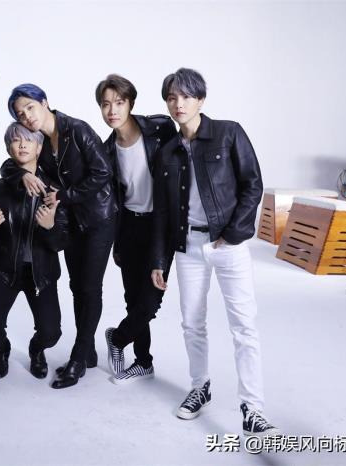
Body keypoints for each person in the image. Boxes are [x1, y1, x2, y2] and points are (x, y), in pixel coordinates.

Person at [151, 67, 279, 435]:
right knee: (192, 323)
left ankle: (252, 409)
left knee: (244, 326)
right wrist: (159, 259)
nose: (178, 104)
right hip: (187, 247)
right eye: (172, 98)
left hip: (228, 245)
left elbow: (253, 185)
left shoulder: (228, 133)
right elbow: (162, 211)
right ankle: (200, 387)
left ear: (201, 100)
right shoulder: (168, 151)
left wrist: (234, 234)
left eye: (186, 96)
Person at [2, 84, 116, 389]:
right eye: (20, 114)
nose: (26, 116)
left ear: (44, 102)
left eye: (29, 107)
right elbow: (11, 164)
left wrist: (65, 196)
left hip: (99, 219)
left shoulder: (77, 130)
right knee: (77, 286)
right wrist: (22, 174)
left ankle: (78, 357)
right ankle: (87, 350)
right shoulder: (39, 141)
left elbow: (103, 172)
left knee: (90, 287)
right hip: (70, 223)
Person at [94, 74, 176, 384]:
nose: (112, 110)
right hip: (129, 226)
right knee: (134, 299)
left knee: (151, 301)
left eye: (119, 102)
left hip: (160, 226)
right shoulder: (106, 151)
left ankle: (117, 338)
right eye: (105, 104)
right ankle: (144, 362)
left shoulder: (160, 130)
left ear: (130, 103)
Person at [0, 122, 67, 379]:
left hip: (41, 272)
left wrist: (50, 227)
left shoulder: (54, 190)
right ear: (9, 148)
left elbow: (61, 243)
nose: (23, 145)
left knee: (51, 334)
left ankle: (36, 350)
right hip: (4, 269)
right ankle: (2, 349)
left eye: (29, 140)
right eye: (16, 140)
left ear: (39, 147)